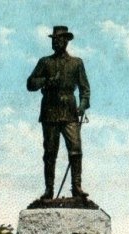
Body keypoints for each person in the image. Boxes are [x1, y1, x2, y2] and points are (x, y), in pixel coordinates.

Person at [27, 26, 91, 199]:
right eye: (54, 39)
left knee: (76, 149)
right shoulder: (44, 62)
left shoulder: (76, 63)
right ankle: (49, 190)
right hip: (49, 111)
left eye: (59, 39)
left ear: (66, 41)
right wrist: (46, 80)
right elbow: (30, 83)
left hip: (70, 112)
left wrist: (83, 106)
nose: (56, 42)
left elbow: (85, 89)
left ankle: (76, 187)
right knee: (50, 152)